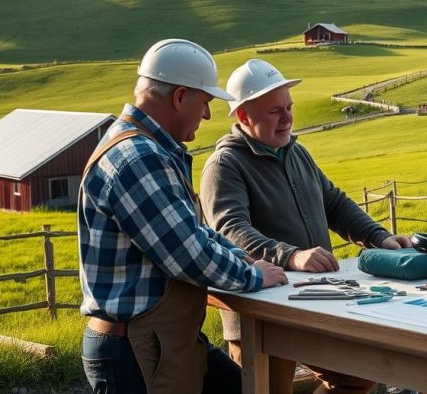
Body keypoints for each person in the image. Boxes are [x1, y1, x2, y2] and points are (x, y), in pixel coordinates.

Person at [78, 39, 288, 394]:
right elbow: (187, 254)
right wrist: (252, 275)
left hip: (159, 339)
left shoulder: (146, 148)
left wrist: (243, 257)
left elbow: (195, 232)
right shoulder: (139, 158)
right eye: (204, 102)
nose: (207, 116)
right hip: (138, 348)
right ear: (179, 97)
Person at [200, 58, 412, 394]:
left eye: (289, 107)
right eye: (274, 111)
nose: (287, 118)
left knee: (357, 379)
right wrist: (291, 256)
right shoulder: (225, 165)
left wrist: (378, 237)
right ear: (243, 116)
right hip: (261, 315)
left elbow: (334, 202)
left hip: (316, 304)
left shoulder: (297, 153)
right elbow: (230, 229)